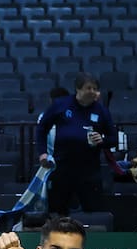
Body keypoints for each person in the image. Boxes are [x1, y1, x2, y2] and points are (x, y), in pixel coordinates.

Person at [36, 72, 117, 215]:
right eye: (88, 88)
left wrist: (102, 141)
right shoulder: (61, 105)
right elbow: (42, 128)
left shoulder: (102, 111)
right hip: (62, 167)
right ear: (78, 89)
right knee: (57, 211)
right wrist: (42, 152)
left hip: (89, 170)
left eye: (95, 89)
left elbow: (113, 139)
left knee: (94, 211)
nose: (92, 92)